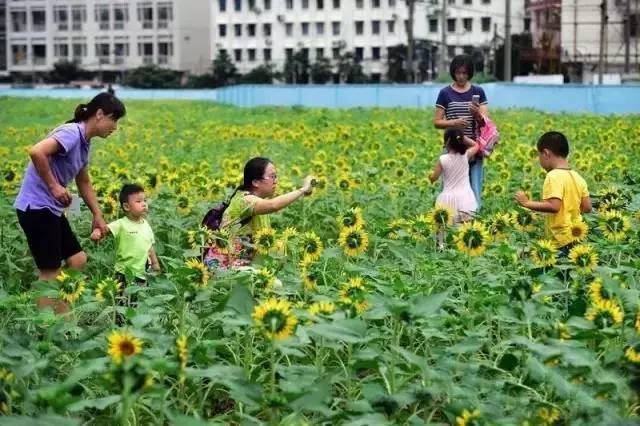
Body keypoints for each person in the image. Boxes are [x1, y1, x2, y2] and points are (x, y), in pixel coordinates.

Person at [14, 92, 126, 314]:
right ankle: (46, 326)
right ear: (100, 114)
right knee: (50, 271)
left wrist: (97, 215)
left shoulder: (84, 143)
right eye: (114, 119)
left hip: (50, 209)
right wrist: (55, 186)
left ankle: (62, 316)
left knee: (77, 259)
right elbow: (37, 152)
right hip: (36, 207)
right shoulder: (72, 132)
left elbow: (83, 181)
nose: (115, 127)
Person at [205, 157, 314, 268]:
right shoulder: (244, 200)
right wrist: (303, 189)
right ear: (256, 182)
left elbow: (265, 242)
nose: (276, 181)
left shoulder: (259, 204)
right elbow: (274, 205)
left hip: (241, 264)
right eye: (272, 177)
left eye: (276, 176)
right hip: (223, 267)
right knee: (277, 284)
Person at [514, 131, 592, 255]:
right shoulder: (577, 177)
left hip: (559, 240)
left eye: (539, 156)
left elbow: (554, 206)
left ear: (546, 153)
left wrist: (527, 203)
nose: (539, 161)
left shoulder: (553, 176)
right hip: (576, 236)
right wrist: (569, 210)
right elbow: (587, 207)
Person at [91, 184, 160, 321]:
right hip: (123, 273)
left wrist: (155, 263)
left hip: (142, 273)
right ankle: (120, 327)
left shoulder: (146, 224)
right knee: (122, 304)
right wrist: (97, 232)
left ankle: (134, 326)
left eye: (145, 200)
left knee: (137, 303)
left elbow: (149, 246)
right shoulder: (121, 224)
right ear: (127, 207)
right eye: (139, 201)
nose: (144, 204)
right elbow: (105, 229)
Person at [434, 54, 489, 207]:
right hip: (452, 148)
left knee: (475, 188)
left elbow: (486, 122)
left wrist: (477, 114)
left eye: (465, 73)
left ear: (469, 73)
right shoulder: (445, 93)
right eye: (458, 72)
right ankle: (449, 220)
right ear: (453, 72)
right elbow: (437, 122)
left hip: (474, 147)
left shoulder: (478, 91)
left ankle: (473, 222)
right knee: (449, 187)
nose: (461, 76)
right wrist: (455, 122)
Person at [429, 128, 480, 224]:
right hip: (466, 199)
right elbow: (476, 145)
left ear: (447, 142)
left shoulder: (442, 159)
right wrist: (463, 137)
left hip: (447, 200)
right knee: (465, 230)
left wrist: (430, 178)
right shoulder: (466, 155)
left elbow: (434, 177)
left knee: (443, 233)